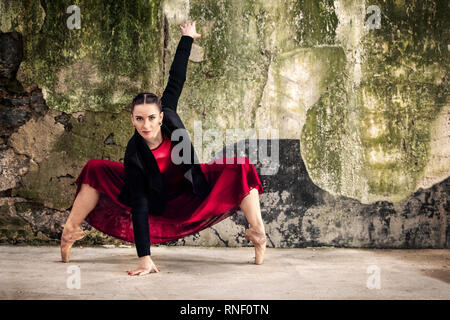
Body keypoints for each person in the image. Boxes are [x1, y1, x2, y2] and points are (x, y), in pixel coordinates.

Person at [60, 21, 267, 276]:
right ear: (132, 119)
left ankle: (258, 233)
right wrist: (144, 258)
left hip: (188, 188)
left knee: (241, 167)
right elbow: (139, 204)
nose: (145, 125)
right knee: (95, 168)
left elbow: (177, 75)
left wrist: (187, 37)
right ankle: (70, 229)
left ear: (160, 117)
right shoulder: (134, 154)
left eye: (151, 118)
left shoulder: (168, 112)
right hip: (156, 196)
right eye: (139, 119)